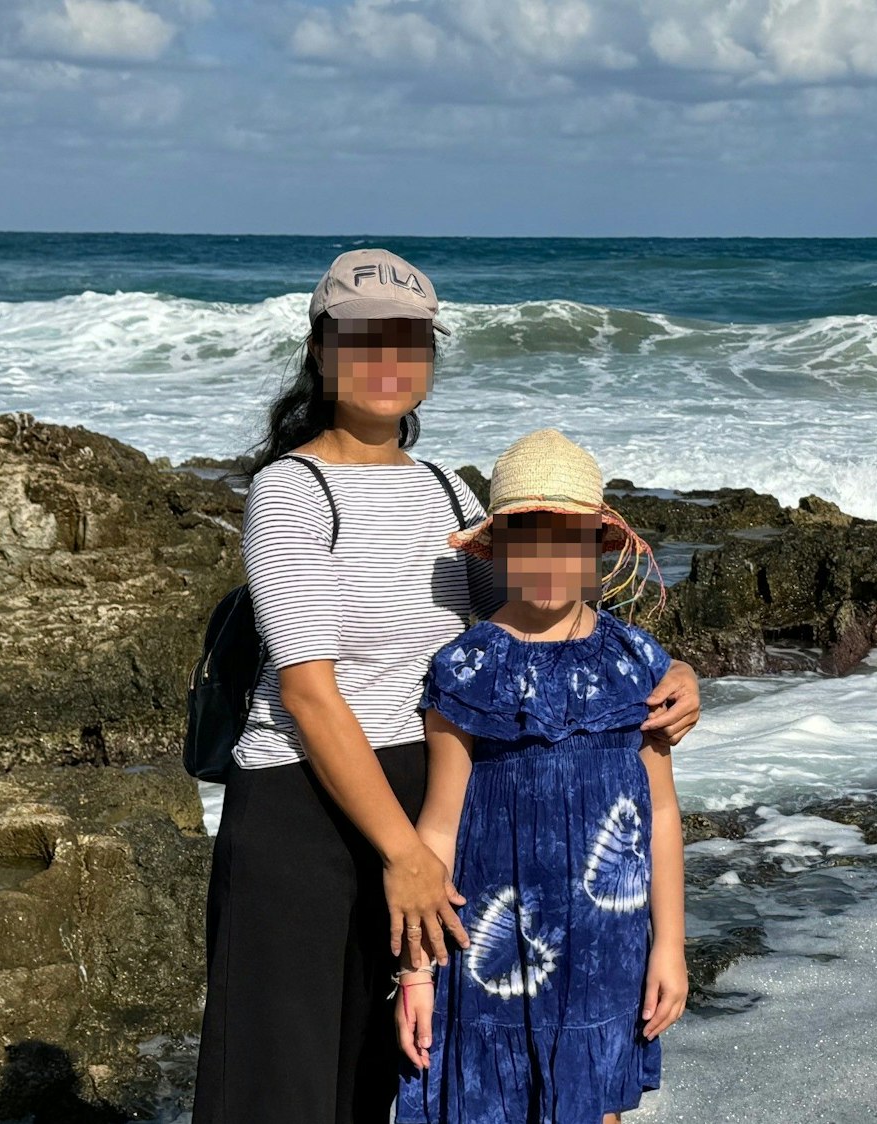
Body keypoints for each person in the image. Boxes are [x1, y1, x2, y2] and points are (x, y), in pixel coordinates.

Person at [193, 251, 702, 1124]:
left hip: (431, 789)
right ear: (320, 352)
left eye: (411, 340)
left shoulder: (442, 488)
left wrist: (675, 670)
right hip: (305, 805)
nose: (389, 360)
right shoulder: (292, 490)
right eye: (363, 339)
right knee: (282, 1082)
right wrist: (404, 857)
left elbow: (530, 618)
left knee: (388, 1072)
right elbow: (310, 693)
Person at [392, 428, 689, 1124]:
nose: (548, 560)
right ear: (496, 551)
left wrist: (669, 948)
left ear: (595, 550)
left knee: (593, 1109)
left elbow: (663, 816)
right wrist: (415, 972)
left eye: (568, 539)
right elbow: (435, 831)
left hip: (607, 946)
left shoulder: (638, 661)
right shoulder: (464, 667)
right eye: (528, 539)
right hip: (492, 948)